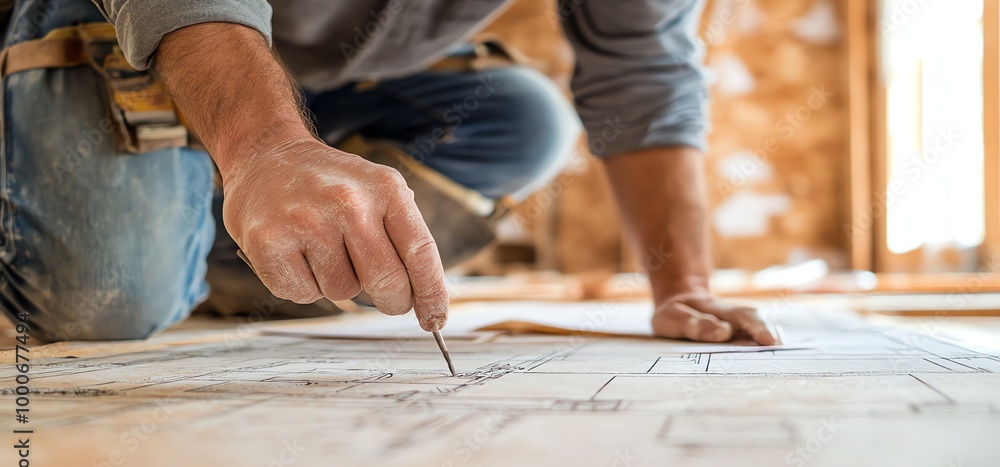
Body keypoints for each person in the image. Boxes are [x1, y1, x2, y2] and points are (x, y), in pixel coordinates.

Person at [0, 0, 779, 345]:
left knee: (528, 120)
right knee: (106, 302)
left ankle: (223, 235)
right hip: (148, 27)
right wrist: (267, 148)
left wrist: (682, 289)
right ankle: (192, 214)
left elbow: (643, 73)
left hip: (330, 81)